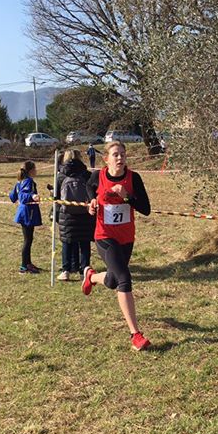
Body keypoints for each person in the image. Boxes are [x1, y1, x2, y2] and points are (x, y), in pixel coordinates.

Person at [82, 141, 152, 351]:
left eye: (123, 154)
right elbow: (89, 188)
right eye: (115, 154)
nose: (120, 158)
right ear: (106, 159)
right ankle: (135, 334)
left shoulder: (133, 178)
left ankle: (91, 277)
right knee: (124, 278)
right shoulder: (98, 176)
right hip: (104, 236)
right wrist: (91, 202)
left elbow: (146, 209)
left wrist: (127, 197)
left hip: (126, 238)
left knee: (112, 281)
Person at [56, 149, 95, 281]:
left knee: (67, 242)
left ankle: (66, 270)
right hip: (85, 212)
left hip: (66, 214)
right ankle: (84, 269)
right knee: (84, 242)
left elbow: (56, 197)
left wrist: (56, 213)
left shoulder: (61, 176)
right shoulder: (87, 174)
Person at [9, 161, 42, 275]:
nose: (36, 171)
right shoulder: (29, 181)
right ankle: (24, 266)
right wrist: (32, 195)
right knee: (28, 240)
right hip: (28, 213)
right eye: (35, 169)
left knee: (29, 239)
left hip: (24, 213)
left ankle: (28, 263)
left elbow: (12, 197)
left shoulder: (20, 181)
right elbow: (22, 196)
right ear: (30, 171)